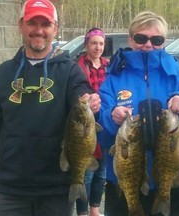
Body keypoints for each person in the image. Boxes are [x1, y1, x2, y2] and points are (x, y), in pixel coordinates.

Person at [0, 0, 101, 215]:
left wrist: (90, 100)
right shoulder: (3, 73)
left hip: (56, 189)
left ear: (55, 29)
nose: (38, 31)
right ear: (21, 25)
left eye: (45, 24)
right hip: (9, 188)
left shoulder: (70, 71)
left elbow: (81, 94)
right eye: (32, 23)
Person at [99, 11, 179, 216]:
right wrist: (111, 115)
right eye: (140, 38)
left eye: (156, 39)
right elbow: (100, 127)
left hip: (175, 176)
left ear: (164, 41)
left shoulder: (175, 72)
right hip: (127, 177)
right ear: (130, 39)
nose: (148, 45)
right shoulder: (113, 78)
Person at [75, 28, 109, 216]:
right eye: (94, 43)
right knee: (86, 170)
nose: (98, 47)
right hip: (86, 124)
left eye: (101, 43)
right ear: (87, 44)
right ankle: (82, 211)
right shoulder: (79, 66)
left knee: (102, 170)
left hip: (105, 122)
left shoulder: (108, 65)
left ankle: (94, 209)